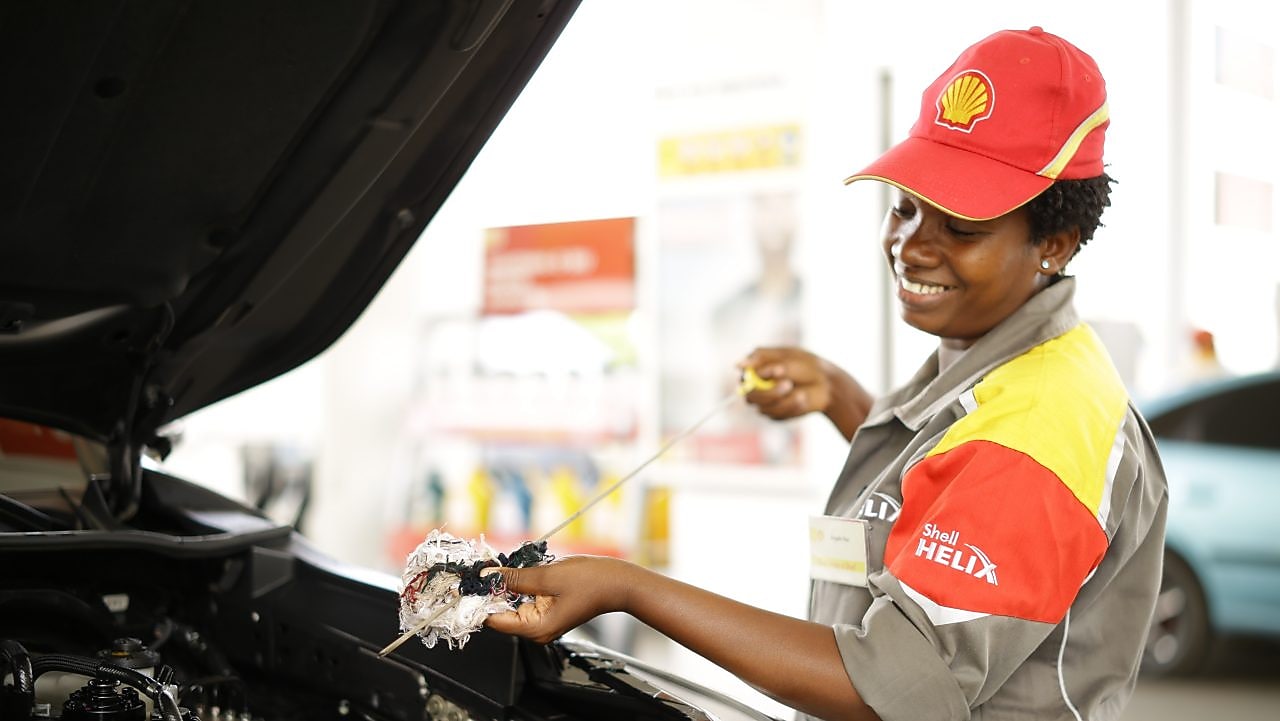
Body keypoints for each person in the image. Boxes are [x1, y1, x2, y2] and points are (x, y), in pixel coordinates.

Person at [485, 27, 1167, 721]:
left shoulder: (1041, 425)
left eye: (960, 228)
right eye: (904, 207)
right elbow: (955, 490)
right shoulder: (1000, 358)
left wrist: (631, 589)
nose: (911, 246)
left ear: (1053, 243)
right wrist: (844, 400)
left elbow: (889, 687)